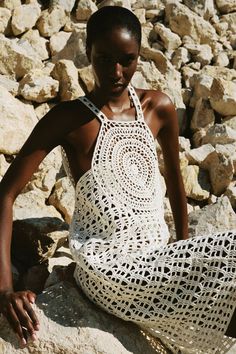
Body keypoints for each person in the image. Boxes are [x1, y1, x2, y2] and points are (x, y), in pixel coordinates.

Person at [0, 5, 235, 353]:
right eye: (104, 59)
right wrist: (5, 290)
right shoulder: (69, 119)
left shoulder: (159, 109)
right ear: (88, 53)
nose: (116, 71)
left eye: (127, 59)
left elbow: (176, 186)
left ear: (140, 56)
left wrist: (186, 253)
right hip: (108, 271)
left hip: (157, 262)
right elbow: (5, 195)